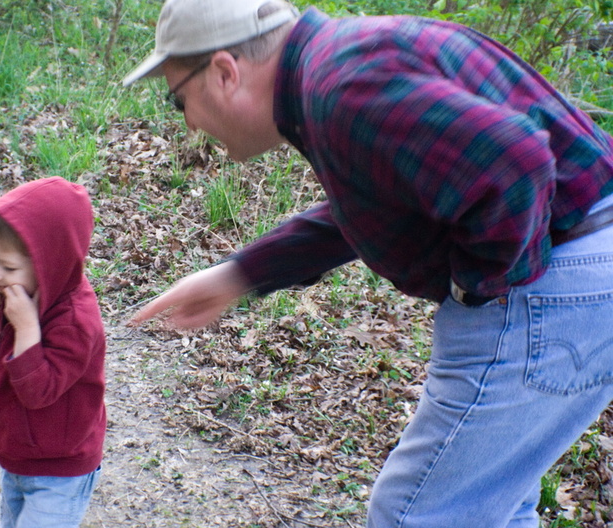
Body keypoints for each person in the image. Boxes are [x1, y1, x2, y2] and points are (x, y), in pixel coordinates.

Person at [123, 0, 613, 526]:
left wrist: (480, 292)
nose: (190, 124)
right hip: (584, 262)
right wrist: (240, 274)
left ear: (224, 71)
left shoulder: (343, 88)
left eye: (179, 102)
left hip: (557, 279)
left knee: (415, 514)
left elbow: (516, 164)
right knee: (490, 504)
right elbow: (378, 202)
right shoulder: (340, 66)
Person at [0, 176, 106, 528]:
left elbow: (39, 391)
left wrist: (27, 329)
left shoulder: (76, 321)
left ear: (50, 263)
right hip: (17, 454)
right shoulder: (18, 289)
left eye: (8, 267)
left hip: (59, 469)